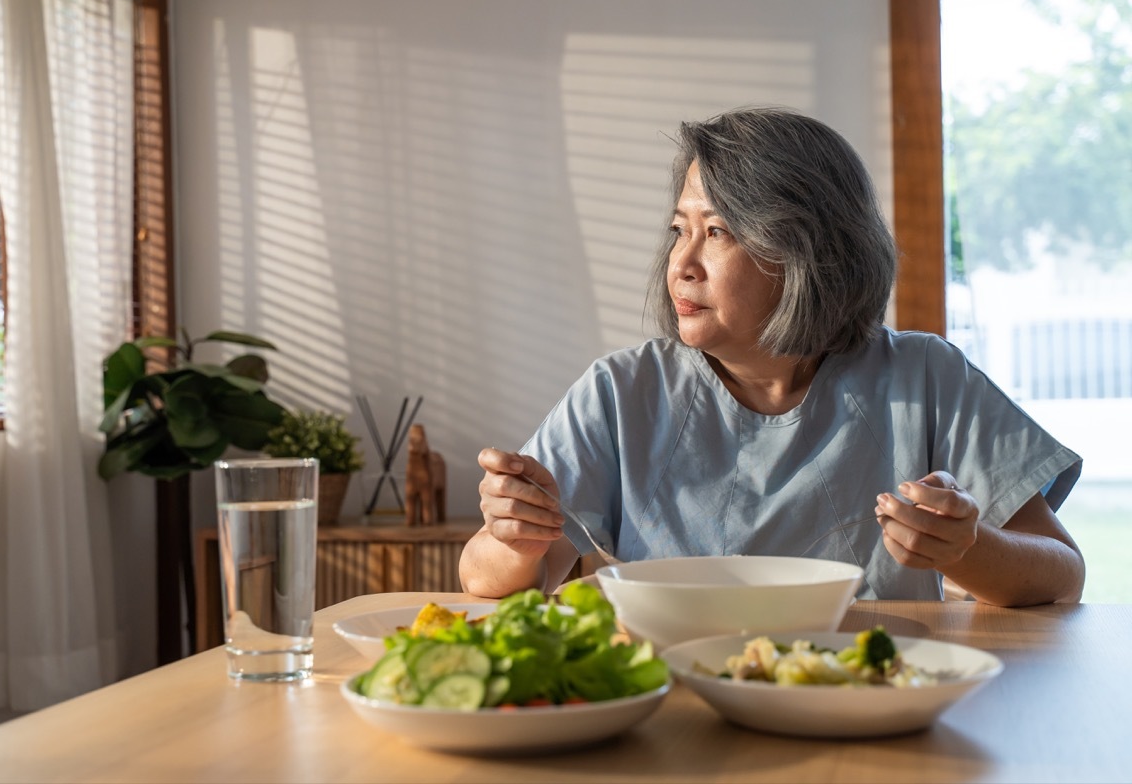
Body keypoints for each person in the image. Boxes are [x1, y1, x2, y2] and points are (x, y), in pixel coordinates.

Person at [458, 106, 1085, 606]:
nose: (681, 263)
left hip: (864, 698)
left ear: (806, 252)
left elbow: (1061, 574)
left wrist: (966, 549)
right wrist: (516, 538)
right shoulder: (620, 391)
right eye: (680, 230)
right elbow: (483, 580)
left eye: (719, 232)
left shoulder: (927, 377)